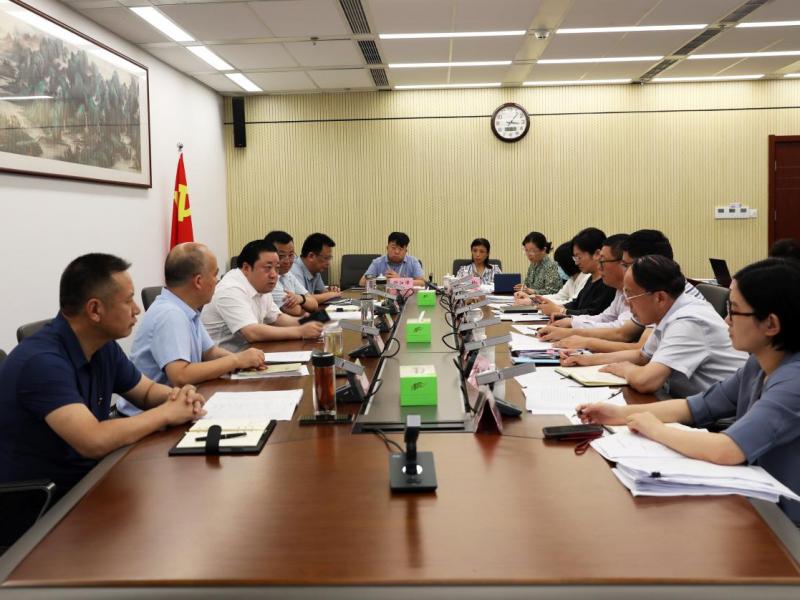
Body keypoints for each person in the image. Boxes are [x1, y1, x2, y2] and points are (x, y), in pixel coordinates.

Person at [577, 258, 800, 524]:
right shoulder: (758, 364)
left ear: (771, 324)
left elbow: (728, 449)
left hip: (784, 523)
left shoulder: (793, 381)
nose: (726, 320)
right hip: (756, 499)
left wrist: (654, 429)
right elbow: (695, 406)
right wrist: (618, 414)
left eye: (734, 311)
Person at [0, 254, 205, 498]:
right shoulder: (41, 362)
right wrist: (167, 413)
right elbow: (93, 440)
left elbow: (146, 392)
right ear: (95, 310)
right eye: (128, 300)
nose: (137, 309)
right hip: (43, 502)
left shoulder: (102, 346)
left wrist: (180, 397)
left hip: (89, 478)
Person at [562, 255, 747, 396]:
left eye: (631, 295)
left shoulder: (689, 321)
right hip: (687, 401)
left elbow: (646, 381)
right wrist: (588, 359)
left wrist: (624, 368)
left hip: (720, 419)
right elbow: (643, 356)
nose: (626, 302)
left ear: (659, 297)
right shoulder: (670, 310)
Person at [117, 243, 266, 417]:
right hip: (148, 415)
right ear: (198, 281)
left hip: (181, 404)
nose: (217, 281)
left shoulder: (186, 309)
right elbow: (181, 375)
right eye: (215, 275)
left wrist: (246, 362)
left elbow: (210, 352)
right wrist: (236, 361)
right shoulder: (169, 314)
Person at [542, 229, 705, 352]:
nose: (626, 271)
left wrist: (583, 340)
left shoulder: (667, 294)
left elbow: (636, 348)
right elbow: (622, 331)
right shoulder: (652, 289)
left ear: (650, 263)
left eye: (626, 265)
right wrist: (572, 328)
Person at [202, 240, 324, 351]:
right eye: (268, 268)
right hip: (225, 362)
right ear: (246, 268)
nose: (274, 275)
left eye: (276, 268)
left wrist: (308, 322)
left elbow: (277, 319)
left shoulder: (260, 285)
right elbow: (252, 332)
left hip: (248, 354)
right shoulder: (230, 289)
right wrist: (300, 331)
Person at [521, 227, 615, 317]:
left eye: (579, 257)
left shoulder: (607, 282)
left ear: (597, 254)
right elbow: (575, 303)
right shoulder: (591, 278)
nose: (576, 262)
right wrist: (542, 302)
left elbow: (593, 314)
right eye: (575, 258)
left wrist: (560, 310)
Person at [264, 230, 319, 316]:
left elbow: (314, 304)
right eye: (281, 256)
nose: (287, 261)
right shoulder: (268, 278)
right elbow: (295, 311)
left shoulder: (288, 274)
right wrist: (305, 304)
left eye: (291, 255)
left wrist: (300, 298)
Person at [290, 233, 342, 304]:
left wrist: (330, 291)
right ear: (311, 256)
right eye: (326, 258)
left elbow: (322, 292)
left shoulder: (315, 270)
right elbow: (302, 299)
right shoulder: (294, 270)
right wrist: (331, 295)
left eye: (330, 258)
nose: (328, 263)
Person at [359, 232, 425, 286]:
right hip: (382, 296)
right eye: (393, 248)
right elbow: (362, 282)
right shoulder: (377, 262)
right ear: (387, 248)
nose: (397, 252)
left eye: (400, 249)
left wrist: (400, 280)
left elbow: (422, 283)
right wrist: (383, 281)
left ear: (406, 251)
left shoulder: (413, 261)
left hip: (406, 297)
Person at [513, 232, 561, 296]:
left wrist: (531, 291)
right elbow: (527, 285)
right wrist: (523, 288)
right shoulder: (533, 265)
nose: (529, 254)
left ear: (543, 250)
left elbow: (553, 291)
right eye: (526, 250)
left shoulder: (551, 266)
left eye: (532, 251)